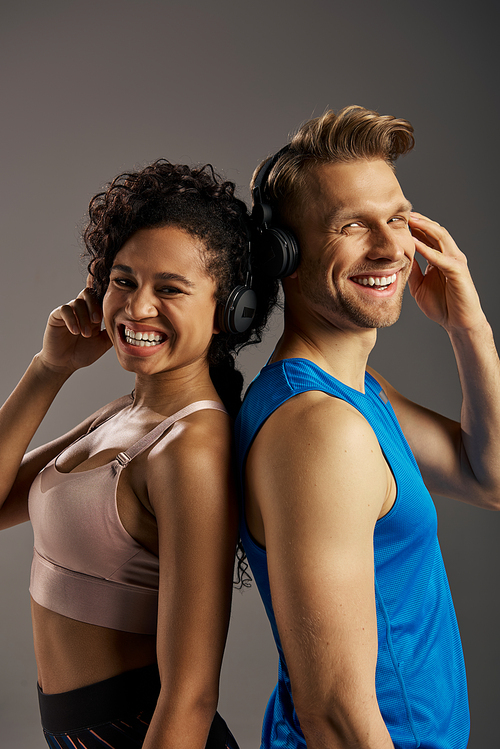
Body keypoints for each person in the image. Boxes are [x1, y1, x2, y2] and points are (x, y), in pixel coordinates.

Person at [235, 106, 500, 749]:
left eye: (398, 218)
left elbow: (488, 477)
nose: (391, 247)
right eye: (353, 225)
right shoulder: (320, 430)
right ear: (283, 256)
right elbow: (335, 716)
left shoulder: (357, 396)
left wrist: (469, 328)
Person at [0, 160, 277, 749]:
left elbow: (190, 695)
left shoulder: (189, 449)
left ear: (232, 311)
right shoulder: (122, 415)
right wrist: (49, 369)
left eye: (170, 289)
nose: (137, 307)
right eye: (123, 280)